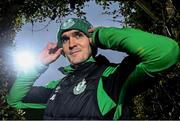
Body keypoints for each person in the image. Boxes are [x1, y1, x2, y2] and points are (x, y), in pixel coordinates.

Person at [7, 18, 179, 120]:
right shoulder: (56, 87)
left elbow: (166, 52)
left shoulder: (112, 76)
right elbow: (15, 100)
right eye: (65, 39)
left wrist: (101, 35)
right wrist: (39, 64)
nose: (72, 43)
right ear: (62, 49)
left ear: (90, 41)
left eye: (78, 35)